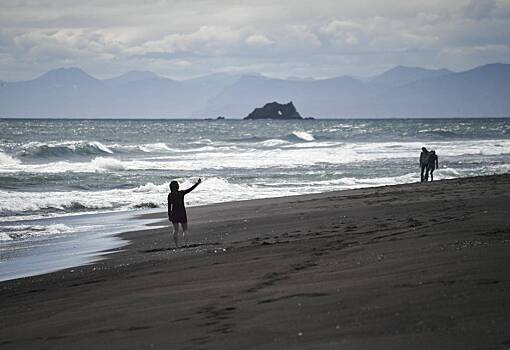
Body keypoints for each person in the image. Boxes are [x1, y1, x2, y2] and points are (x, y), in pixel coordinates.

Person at [168, 178, 201, 247]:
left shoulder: (170, 195)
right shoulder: (181, 193)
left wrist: (169, 215)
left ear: (170, 187)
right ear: (178, 187)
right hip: (182, 213)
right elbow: (190, 189)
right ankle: (186, 244)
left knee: (175, 230)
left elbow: (169, 207)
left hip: (174, 213)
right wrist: (197, 183)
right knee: (185, 229)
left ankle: (176, 245)